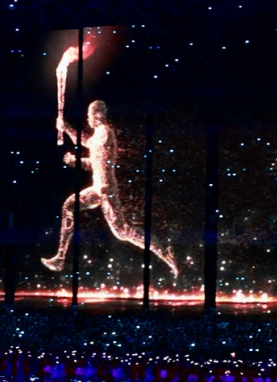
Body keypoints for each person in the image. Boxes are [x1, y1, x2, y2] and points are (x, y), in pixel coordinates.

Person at [41, 100, 177, 277]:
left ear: (98, 114)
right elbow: (94, 160)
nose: (88, 118)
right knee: (69, 206)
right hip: (98, 188)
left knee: (122, 232)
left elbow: (90, 148)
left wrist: (67, 129)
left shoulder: (105, 133)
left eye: (90, 115)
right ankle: (60, 257)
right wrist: (73, 156)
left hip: (106, 190)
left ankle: (163, 251)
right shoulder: (99, 134)